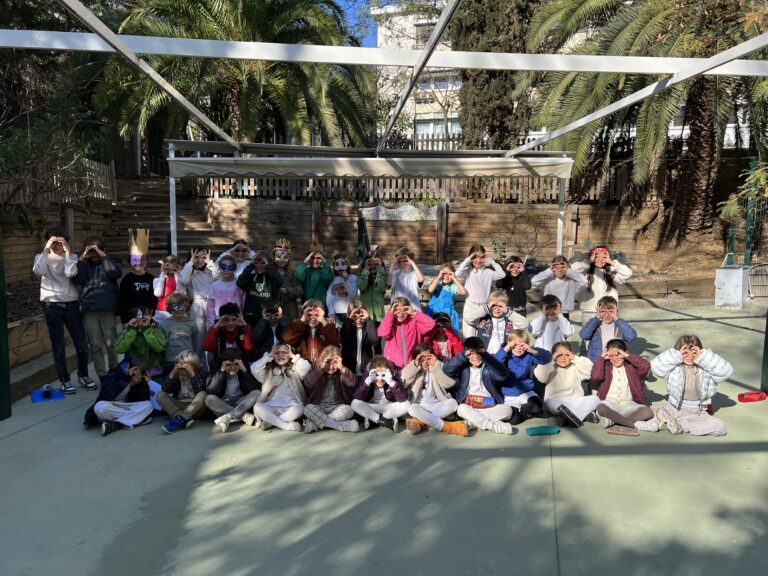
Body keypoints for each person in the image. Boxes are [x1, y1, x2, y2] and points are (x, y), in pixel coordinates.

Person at [33, 226, 92, 394]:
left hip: (71, 304)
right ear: (47, 242)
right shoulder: (41, 257)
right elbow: (38, 271)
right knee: (58, 345)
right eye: (54, 242)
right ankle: (64, 380)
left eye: (61, 242)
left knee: (82, 343)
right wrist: (46, 249)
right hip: (51, 305)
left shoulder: (72, 257)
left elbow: (70, 273)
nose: (58, 245)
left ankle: (83, 375)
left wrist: (67, 253)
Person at [651, 335, 732, 436]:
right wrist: (676, 355)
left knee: (720, 427)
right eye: (685, 352)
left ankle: (679, 425)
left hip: (697, 412)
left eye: (693, 352)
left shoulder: (706, 368)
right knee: (652, 420)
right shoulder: (674, 367)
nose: (690, 356)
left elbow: (726, 371)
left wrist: (704, 357)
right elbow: (655, 366)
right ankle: (660, 420)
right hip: (674, 408)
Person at [443, 337, 515, 435]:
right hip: (470, 406)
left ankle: (472, 423)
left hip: (489, 406)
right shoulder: (463, 367)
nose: (476, 356)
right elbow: (447, 370)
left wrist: (486, 356)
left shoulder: (489, 365)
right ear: (466, 354)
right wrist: (462, 355)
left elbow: (503, 374)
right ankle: (494, 426)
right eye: (471, 353)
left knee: (507, 410)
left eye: (479, 353)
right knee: (461, 409)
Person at [75, 234, 122, 382]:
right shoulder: (82, 264)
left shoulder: (111, 260)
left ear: (104, 249)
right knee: (95, 344)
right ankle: (102, 375)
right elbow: (79, 279)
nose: (94, 254)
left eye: (98, 249)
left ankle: (114, 370)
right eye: (91, 250)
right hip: (89, 309)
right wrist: (82, 259)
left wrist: (103, 257)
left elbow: (115, 273)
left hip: (108, 307)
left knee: (111, 343)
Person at [590, 339, 656, 432]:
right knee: (601, 407)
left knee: (648, 412)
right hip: (610, 404)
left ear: (625, 353)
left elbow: (646, 366)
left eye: (618, 354)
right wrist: (601, 358)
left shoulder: (632, 367)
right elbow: (596, 377)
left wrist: (627, 356)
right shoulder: (605, 366)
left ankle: (612, 421)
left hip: (629, 405)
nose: (615, 358)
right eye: (611, 355)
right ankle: (635, 425)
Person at [400, 343, 464, 436]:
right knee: (411, 408)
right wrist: (415, 366)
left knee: (453, 403)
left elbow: (449, 384)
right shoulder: (412, 367)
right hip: (419, 406)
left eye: (428, 358)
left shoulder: (437, 365)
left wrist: (436, 367)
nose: (425, 362)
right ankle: (444, 426)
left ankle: (421, 422)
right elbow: (402, 383)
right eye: (422, 358)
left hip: (436, 405)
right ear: (416, 358)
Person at [534, 342, 601, 428]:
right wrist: (550, 360)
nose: (563, 358)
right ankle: (583, 415)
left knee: (595, 399)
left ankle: (569, 417)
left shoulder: (575, 367)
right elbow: (540, 377)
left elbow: (590, 372)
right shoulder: (550, 368)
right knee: (551, 402)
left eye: (567, 355)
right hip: (557, 402)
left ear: (571, 355)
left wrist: (575, 358)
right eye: (559, 355)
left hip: (576, 401)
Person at [83, 357, 154, 436]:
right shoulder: (116, 373)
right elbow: (106, 394)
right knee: (99, 407)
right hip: (111, 405)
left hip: (127, 406)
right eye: (135, 375)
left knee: (148, 405)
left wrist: (144, 384)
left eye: (139, 378)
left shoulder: (141, 381)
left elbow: (142, 399)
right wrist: (127, 379)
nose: (136, 379)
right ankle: (137, 419)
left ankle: (116, 425)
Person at [251, 343, 311, 432]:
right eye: (277, 353)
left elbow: (307, 367)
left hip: (291, 406)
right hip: (271, 406)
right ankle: (285, 425)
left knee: (301, 408)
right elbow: (254, 368)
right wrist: (269, 356)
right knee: (257, 407)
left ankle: (271, 422)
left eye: (284, 352)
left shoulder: (295, 369)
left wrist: (292, 356)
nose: (280, 355)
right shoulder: (268, 370)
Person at [494, 330, 551, 424]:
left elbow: (547, 359)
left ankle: (525, 412)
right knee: (513, 420)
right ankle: (526, 414)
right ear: (509, 344)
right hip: (509, 395)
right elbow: (494, 363)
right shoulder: (505, 354)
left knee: (537, 406)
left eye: (522, 345)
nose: (518, 348)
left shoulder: (529, 355)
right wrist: (506, 348)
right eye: (515, 345)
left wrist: (532, 350)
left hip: (526, 392)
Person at [302, 346, 359, 433]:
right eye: (328, 363)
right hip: (318, 406)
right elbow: (308, 383)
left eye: (334, 363)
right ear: (322, 360)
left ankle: (315, 425)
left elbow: (352, 383)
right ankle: (338, 426)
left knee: (349, 410)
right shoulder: (317, 369)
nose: (331, 367)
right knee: (307, 408)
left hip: (336, 407)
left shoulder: (341, 372)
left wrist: (342, 368)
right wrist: (321, 368)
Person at [571, 246, 633, 324]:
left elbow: (628, 273)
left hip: (608, 311)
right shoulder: (584, 272)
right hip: (589, 310)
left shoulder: (611, 272)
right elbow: (572, 270)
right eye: (597, 257)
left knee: (609, 331)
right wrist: (589, 261)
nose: (600, 260)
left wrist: (612, 262)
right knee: (588, 331)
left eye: (604, 257)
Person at [455, 244, 506, 337]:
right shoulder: (467, 271)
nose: (478, 260)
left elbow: (502, 274)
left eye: (481, 257)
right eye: (475, 257)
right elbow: (457, 274)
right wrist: (468, 259)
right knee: (469, 339)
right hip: (470, 308)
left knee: (483, 339)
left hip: (484, 309)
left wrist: (492, 262)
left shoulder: (488, 272)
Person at [205, 348, 261, 433]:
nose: (232, 367)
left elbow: (254, 387)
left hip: (240, 402)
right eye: (228, 364)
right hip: (222, 403)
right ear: (223, 363)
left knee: (257, 393)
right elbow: (212, 391)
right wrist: (221, 371)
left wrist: (244, 369)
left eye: (236, 364)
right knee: (209, 399)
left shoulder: (244, 368)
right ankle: (243, 416)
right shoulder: (217, 369)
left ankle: (227, 417)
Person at [351, 355, 410, 431]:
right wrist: (368, 381)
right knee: (354, 403)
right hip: (372, 407)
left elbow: (403, 398)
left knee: (407, 404)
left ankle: (374, 420)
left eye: (383, 375)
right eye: (377, 375)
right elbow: (357, 396)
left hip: (389, 408)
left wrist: (391, 382)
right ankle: (384, 421)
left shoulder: (392, 377)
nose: (380, 379)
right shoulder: (367, 377)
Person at [156, 350, 208, 433]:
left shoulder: (202, 373)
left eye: (186, 366)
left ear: (194, 365)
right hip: (181, 406)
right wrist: (173, 372)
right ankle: (181, 418)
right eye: (180, 366)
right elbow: (166, 389)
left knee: (203, 393)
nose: (183, 369)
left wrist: (192, 373)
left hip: (196, 408)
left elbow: (200, 389)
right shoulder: (177, 375)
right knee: (160, 395)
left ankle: (183, 417)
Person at [377, 296, 435, 369]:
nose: (401, 313)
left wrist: (414, 313)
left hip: (411, 364)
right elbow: (382, 333)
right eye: (397, 310)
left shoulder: (414, 323)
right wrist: (390, 314)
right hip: (393, 365)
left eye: (404, 310)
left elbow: (431, 324)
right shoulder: (390, 324)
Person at [177, 247, 216, 350]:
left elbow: (219, 277)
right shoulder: (189, 271)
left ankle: (212, 359)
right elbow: (183, 280)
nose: (200, 260)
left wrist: (210, 263)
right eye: (196, 257)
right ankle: (198, 359)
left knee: (212, 333)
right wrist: (190, 263)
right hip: (197, 305)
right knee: (198, 335)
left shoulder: (210, 270)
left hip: (212, 304)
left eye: (203, 257)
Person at [282, 299, 341, 367]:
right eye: (309, 315)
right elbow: (287, 339)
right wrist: (302, 320)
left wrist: (324, 322)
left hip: (323, 367)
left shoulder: (327, 326)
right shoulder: (298, 325)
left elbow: (335, 342)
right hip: (302, 366)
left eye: (317, 315)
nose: (313, 318)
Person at [579, 296, 636, 362]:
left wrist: (617, 319)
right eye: (603, 311)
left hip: (615, 361)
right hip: (596, 361)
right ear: (598, 311)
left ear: (616, 311)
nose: (607, 314)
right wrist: (596, 318)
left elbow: (631, 337)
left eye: (611, 311)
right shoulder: (594, 325)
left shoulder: (620, 325)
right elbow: (583, 335)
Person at [118, 228, 157, 326]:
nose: (138, 263)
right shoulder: (127, 280)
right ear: (130, 262)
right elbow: (122, 301)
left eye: (142, 260)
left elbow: (155, 299)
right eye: (135, 260)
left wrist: (154, 316)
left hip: (148, 318)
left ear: (146, 261)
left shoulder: (151, 279)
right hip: (131, 319)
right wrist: (125, 320)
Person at [201, 303, 255, 371]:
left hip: (240, 365)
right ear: (220, 320)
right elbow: (207, 347)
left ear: (239, 319)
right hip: (221, 366)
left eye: (233, 320)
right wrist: (215, 327)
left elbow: (249, 347)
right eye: (226, 320)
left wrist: (245, 326)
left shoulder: (242, 329)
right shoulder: (216, 330)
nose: (230, 323)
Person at [114, 307, 167, 374]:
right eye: (136, 321)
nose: (140, 324)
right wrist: (131, 330)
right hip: (135, 371)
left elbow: (160, 348)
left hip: (153, 370)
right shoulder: (130, 331)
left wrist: (147, 330)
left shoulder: (156, 331)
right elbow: (119, 349)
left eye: (143, 320)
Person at [237, 250, 283, 326]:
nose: (259, 266)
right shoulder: (251, 277)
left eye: (262, 263)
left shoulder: (271, 278)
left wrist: (267, 266)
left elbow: (279, 281)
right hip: (250, 316)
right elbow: (240, 283)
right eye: (256, 263)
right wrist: (251, 265)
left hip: (268, 316)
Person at [475, 290, 529, 355]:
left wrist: (508, 312)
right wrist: (486, 308)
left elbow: (525, 324)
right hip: (485, 355)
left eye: (501, 306)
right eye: (494, 306)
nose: (497, 309)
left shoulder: (510, 320)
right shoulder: (482, 318)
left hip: (503, 356)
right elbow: (468, 318)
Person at [160, 293, 198, 375]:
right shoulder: (164, 325)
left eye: (181, 306)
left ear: (186, 307)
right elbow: (161, 346)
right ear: (170, 308)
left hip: (188, 362)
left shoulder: (192, 323)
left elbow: (197, 345)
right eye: (175, 307)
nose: (178, 310)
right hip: (170, 362)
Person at [340, 300, 381, 375]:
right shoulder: (347, 327)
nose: (358, 319)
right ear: (350, 316)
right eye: (354, 316)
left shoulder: (369, 326)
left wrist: (368, 320)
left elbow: (375, 340)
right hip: (349, 369)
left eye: (361, 316)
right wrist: (349, 321)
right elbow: (345, 339)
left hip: (365, 369)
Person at [206, 254, 245, 329]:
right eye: (223, 267)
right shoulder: (214, 286)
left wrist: (242, 320)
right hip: (219, 321)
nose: (226, 270)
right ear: (219, 267)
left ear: (235, 268)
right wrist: (211, 325)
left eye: (230, 267)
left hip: (236, 320)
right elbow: (210, 307)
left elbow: (244, 302)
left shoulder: (239, 284)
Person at [425, 263, 466, 333]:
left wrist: (454, 278)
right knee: (433, 333)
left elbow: (463, 292)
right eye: (444, 274)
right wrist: (438, 277)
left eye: (449, 274)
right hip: (434, 313)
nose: (447, 276)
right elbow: (430, 290)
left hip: (448, 315)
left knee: (449, 334)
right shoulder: (437, 283)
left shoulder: (452, 286)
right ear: (440, 273)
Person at [272, 238, 303, 321]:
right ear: (274, 257)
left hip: (290, 309)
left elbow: (299, 290)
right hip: (275, 309)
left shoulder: (292, 273)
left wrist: (287, 290)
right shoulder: (270, 273)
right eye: (279, 256)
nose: (282, 260)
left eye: (285, 257)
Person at [326, 253, 358, 327]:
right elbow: (329, 297)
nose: (340, 268)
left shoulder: (353, 278)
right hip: (336, 314)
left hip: (350, 312)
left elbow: (353, 295)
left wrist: (346, 279)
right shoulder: (333, 279)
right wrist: (331, 313)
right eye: (337, 264)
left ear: (347, 264)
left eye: (343, 264)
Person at [357, 250, 387, 322]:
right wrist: (365, 270)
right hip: (365, 314)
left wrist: (380, 271)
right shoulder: (362, 275)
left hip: (379, 315)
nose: (373, 266)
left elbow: (381, 288)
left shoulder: (382, 275)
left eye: (376, 264)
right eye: (369, 264)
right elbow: (362, 287)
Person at [153, 255, 183, 324]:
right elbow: (158, 294)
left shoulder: (181, 281)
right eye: (167, 269)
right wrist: (163, 273)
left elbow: (180, 294)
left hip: (177, 313)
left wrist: (177, 275)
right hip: (161, 313)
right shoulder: (157, 280)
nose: (171, 272)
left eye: (174, 269)